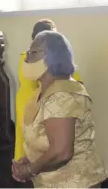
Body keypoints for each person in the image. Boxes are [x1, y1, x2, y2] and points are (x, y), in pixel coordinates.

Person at [12, 31, 106, 188]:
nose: (26, 59)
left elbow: (61, 152)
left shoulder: (63, 94)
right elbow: (44, 137)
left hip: (74, 182)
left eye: (32, 53)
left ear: (50, 56)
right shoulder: (42, 91)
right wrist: (32, 157)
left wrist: (30, 170)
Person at [14, 19, 82, 161]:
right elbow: (75, 80)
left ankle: (26, 165)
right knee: (41, 142)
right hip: (36, 104)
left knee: (34, 143)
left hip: (31, 103)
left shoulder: (25, 58)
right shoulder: (43, 61)